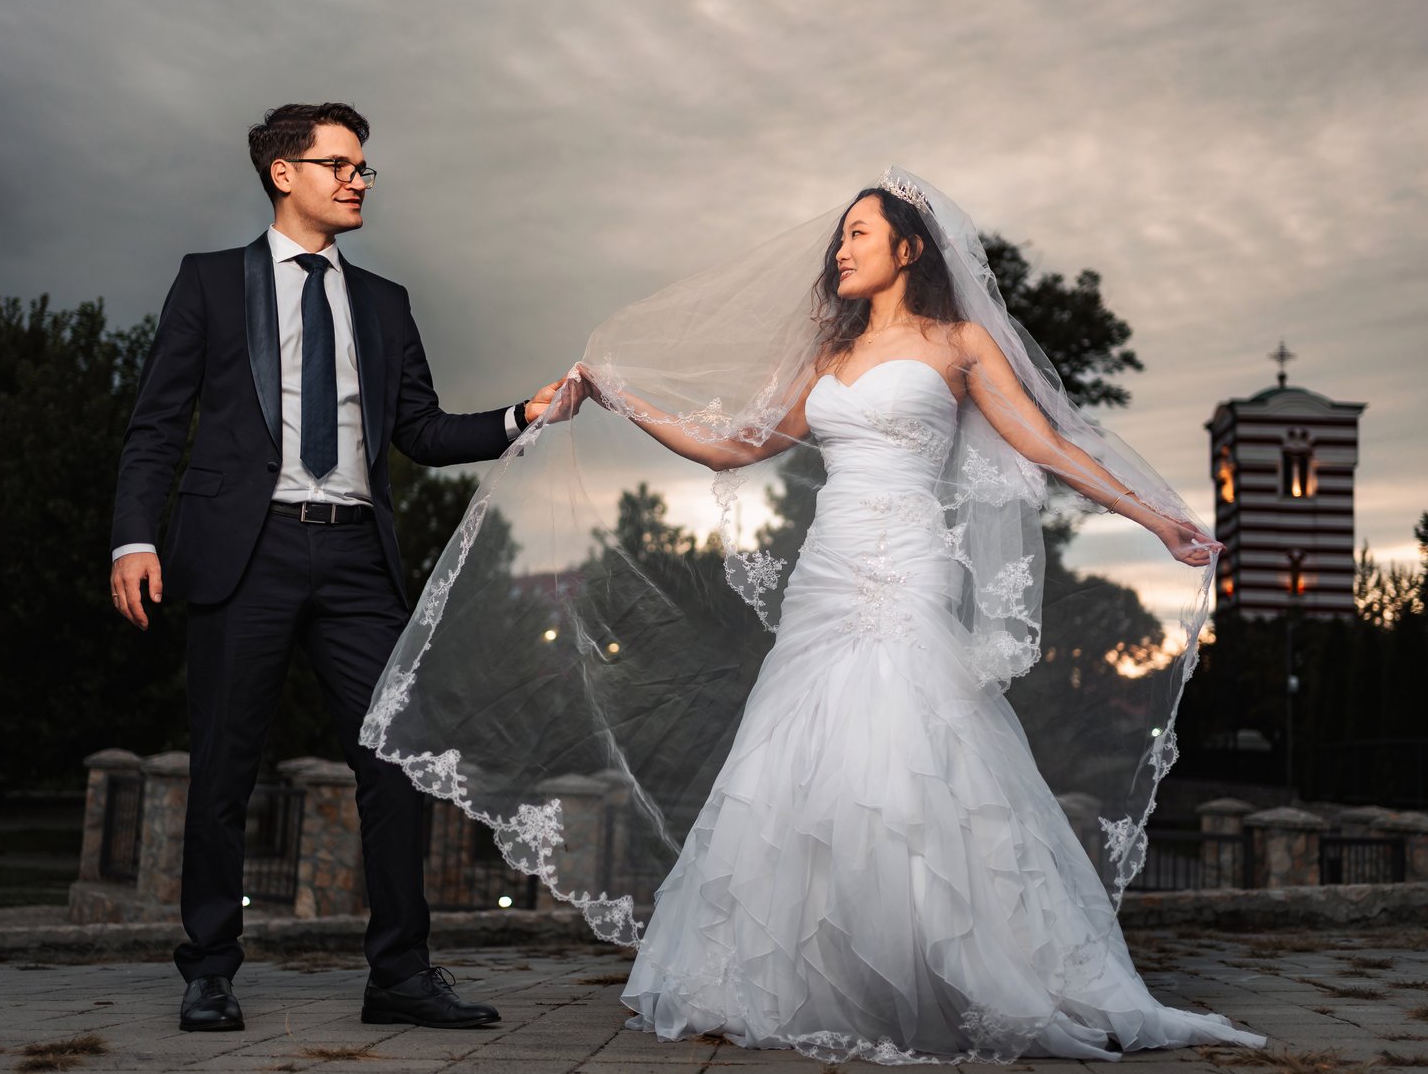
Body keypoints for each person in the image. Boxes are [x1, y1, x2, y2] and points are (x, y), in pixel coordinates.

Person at [362, 170, 1264, 1062]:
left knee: (912, 744)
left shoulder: (961, 344)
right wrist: (618, 396)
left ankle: (941, 963)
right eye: (841, 236)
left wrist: (1155, 518)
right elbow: (735, 448)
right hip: (827, 574)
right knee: (797, 753)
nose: (840, 248)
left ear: (909, 248)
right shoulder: (829, 359)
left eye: (858, 234)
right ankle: (807, 971)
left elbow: (1046, 444)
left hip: (908, 566)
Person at [109, 101, 578, 1033]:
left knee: (394, 760)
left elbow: (420, 432)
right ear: (286, 173)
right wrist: (134, 538)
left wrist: (522, 414)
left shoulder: (384, 303)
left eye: (365, 167)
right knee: (223, 769)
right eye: (341, 164)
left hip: (359, 556)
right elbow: (157, 425)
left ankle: (400, 975)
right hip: (247, 551)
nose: (359, 179)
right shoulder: (208, 284)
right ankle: (209, 970)